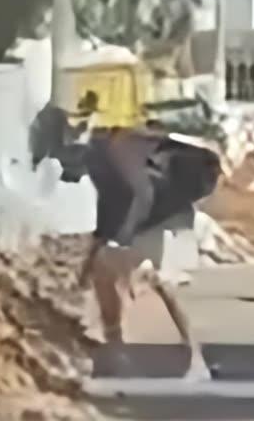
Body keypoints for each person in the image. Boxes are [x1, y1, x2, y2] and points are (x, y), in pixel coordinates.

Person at [81, 122, 221, 382]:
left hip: (158, 226)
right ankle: (116, 352)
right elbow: (109, 207)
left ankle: (195, 357)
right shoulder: (110, 165)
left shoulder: (141, 156)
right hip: (137, 229)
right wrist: (95, 250)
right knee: (106, 275)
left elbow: (140, 197)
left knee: (160, 282)